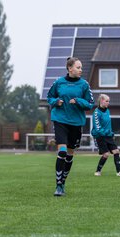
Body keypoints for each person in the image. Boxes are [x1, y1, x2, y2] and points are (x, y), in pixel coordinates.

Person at [47, 57, 94, 197]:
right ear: (70, 68)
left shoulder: (84, 85)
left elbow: (90, 103)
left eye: (81, 68)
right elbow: (49, 97)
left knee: (69, 154)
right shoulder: (58, 82)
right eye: (78, 67)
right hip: (60, 120)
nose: (81, 70)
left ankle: (63, 181)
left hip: (76, 123)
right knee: (62, 151)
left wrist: (78, 101)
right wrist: (56, 101)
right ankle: (58, 185)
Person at [91, 94, 120, 177]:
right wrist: (106, 133)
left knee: (116, 151)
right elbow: (98, 128)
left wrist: (111, 133)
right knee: (106, 154)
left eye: (109, 101)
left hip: (108, 135)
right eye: (107, 101)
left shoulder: (107, 110)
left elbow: (108, 124)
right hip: (100, 136)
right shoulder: (96, 112)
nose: (108, 103)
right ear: (101, 100)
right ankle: (98, 171)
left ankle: (119, 171)